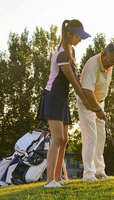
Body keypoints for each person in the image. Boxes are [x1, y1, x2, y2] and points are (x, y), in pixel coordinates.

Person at [37, 19, 92, 188]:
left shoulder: (71, 51)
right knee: (58, 138)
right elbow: (74, 81)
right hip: (53, 96)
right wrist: (86, 101)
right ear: (69, 34)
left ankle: (58, 178)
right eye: (78, 36)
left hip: (61, 98)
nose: (80, 40)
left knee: (65, 139)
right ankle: (49, 181)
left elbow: (75, 80)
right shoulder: (62, 54)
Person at [77, 43, 114, 181]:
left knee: (101, 137)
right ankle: (88, 174)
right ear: (104, 54)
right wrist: (97, 110)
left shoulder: (109, 65)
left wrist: (100, 108)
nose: (111, 65)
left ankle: (99, 170)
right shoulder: (92, 64)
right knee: (90, 137)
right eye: (110, 61)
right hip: (87, 103)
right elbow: (87, 91)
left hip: (99, 103)